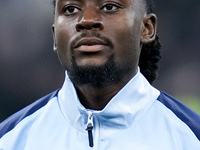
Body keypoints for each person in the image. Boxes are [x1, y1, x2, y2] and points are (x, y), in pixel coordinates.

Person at [0, 0, 200, 149]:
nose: (86, 21)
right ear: (54, 36)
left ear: (146, 29)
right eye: (71, 9)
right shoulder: (11, 140)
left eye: (109, 7)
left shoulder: (191, 138)